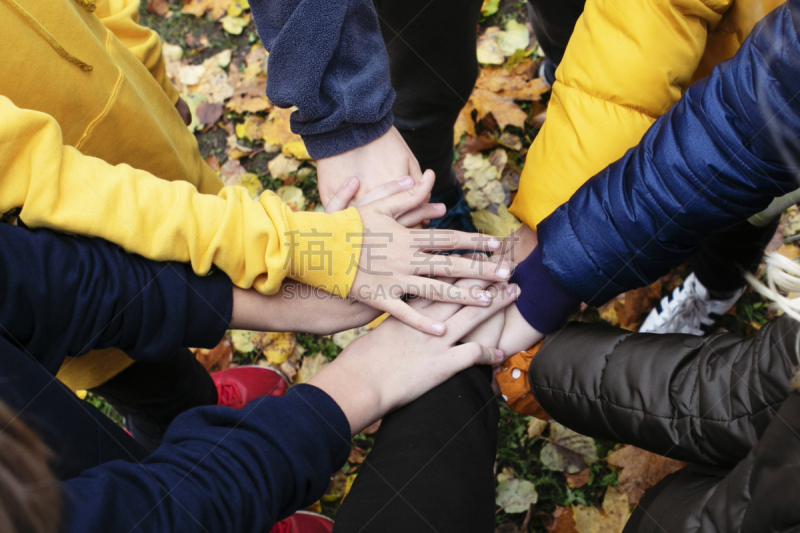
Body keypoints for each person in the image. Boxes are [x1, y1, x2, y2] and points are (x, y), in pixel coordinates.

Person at [1, 0, 511, 452]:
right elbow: (39, 186)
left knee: (180, 318)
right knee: (151, 380)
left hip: (170, 188)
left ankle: (202, 400)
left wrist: (145, 70)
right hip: (67, 283)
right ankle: (190, 430)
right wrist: (296, 247)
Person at [0, 216, 518, 532]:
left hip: (66, 447)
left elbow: (49, 282)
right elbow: (147, 521)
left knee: (125, 461)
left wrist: (290, 298)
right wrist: (360, 383)